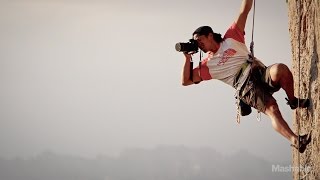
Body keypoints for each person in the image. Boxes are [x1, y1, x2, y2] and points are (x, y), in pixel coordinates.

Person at [180, 0, 311, 153]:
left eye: (200, 41)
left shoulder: (231, 36)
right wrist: (187, 58)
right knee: (272, 109)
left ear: (210, 35)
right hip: (246, 88)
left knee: (280, 69)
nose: (198, 45)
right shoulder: (207, 65)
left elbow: (244, 10)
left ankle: (294, 101)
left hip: (259, 72)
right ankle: (296, 140)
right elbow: (186, 81)